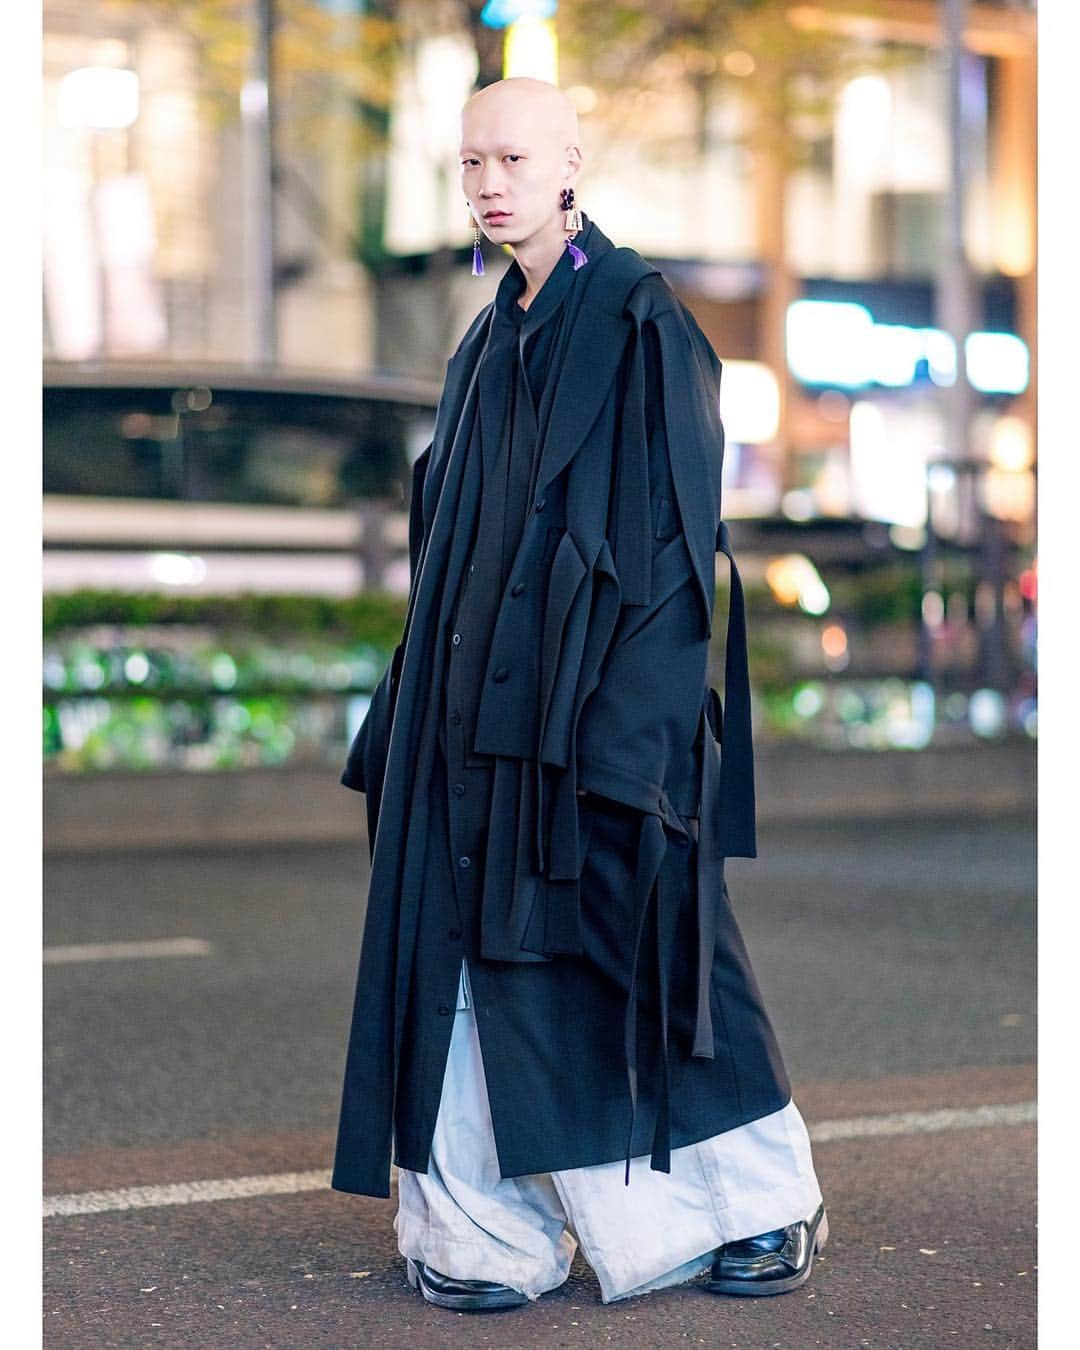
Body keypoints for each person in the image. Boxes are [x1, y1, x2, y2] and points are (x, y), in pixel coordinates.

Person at [332, 76, 828, 1310]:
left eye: (510, 159)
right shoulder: (488, 336)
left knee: (656, 947)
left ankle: (770, 1201)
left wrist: (638, 738)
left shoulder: (641, 319)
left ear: (569, 164)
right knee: (460, 958)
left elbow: (673, 547)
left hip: (595, 718)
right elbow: (450, 539)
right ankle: (479, 1236)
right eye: (469, 165)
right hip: (475, 719)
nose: (488, 184)